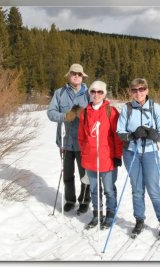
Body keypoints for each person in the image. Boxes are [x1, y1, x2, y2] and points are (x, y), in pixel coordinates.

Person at [116, 78, 160, 238]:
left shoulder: (155, 107)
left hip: (150, 152)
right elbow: (120, 132)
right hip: (131, 153)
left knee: (153, 189)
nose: (138, 93)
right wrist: (132, 135)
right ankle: (139, 220)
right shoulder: (127, 108)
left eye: (141, 89)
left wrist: (155, 135)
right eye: (134, 90)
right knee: (137, 189)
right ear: (131, 92)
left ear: (147, 90)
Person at [78, 80, 123, 229]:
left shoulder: (111, 111)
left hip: (107, 158)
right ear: (90, 93)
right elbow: (82, 137)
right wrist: (85, 153)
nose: (96, 94)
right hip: (90, 159)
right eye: (93, 91)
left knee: (109, 189)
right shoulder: (85, 112)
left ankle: (110, 214)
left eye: (99, 92)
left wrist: (117, 156)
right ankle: (97, 214)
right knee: (94, 189)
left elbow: (117, 136)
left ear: (104, 94)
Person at [47, 63, 91, 215]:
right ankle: (70, 200)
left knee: (85, 175)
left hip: (83, 142)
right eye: (74, 73)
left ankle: (85, 201)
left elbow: (95, 114)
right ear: (69, 75)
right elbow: (51, 113)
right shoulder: (59, 93)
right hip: (65, 141)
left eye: (79, 74)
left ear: (82, 77)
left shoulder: (89, 94)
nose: (76, 76)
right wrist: (65, 116)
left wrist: (82, 114)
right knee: (67, 174)